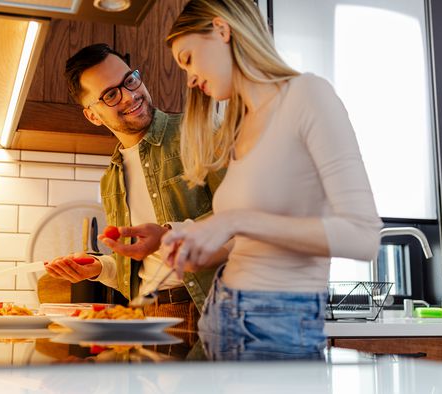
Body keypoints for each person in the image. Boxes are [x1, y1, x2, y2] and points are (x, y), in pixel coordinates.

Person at [161, 0, 383, 359]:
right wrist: (201, 249)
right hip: (223, 317)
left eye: (188, 58)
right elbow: (257, 241)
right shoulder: (239, 126)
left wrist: (233, 220)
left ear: (221, 29)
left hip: (276, 324)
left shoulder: (307, 94)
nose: (189, 78)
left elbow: (363, 237)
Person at [43, 43, 225, 331]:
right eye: (111, 94)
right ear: (92, 115)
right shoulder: (111, 179)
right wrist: (100, 268)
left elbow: (244, 218)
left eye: (129, 80)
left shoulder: (199, 132)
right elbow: (134, 267)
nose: (130, 96)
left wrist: (168, 235)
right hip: (148, 315)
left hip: (209, 309)